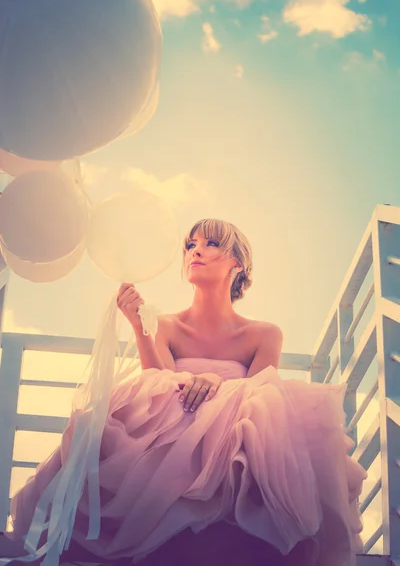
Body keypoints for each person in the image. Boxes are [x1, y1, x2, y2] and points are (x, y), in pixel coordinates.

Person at [5, 219, 367, 566]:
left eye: (211, 243)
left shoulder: (264, 334)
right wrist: (138, 325)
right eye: (190, 244)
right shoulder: (163, 325)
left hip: (232, 448)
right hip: (168, 441)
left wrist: (217, 382)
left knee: (272, 412)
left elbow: (263, 393)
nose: (196, 250)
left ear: (237, 264)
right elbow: (157, 381)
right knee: (124, 409)